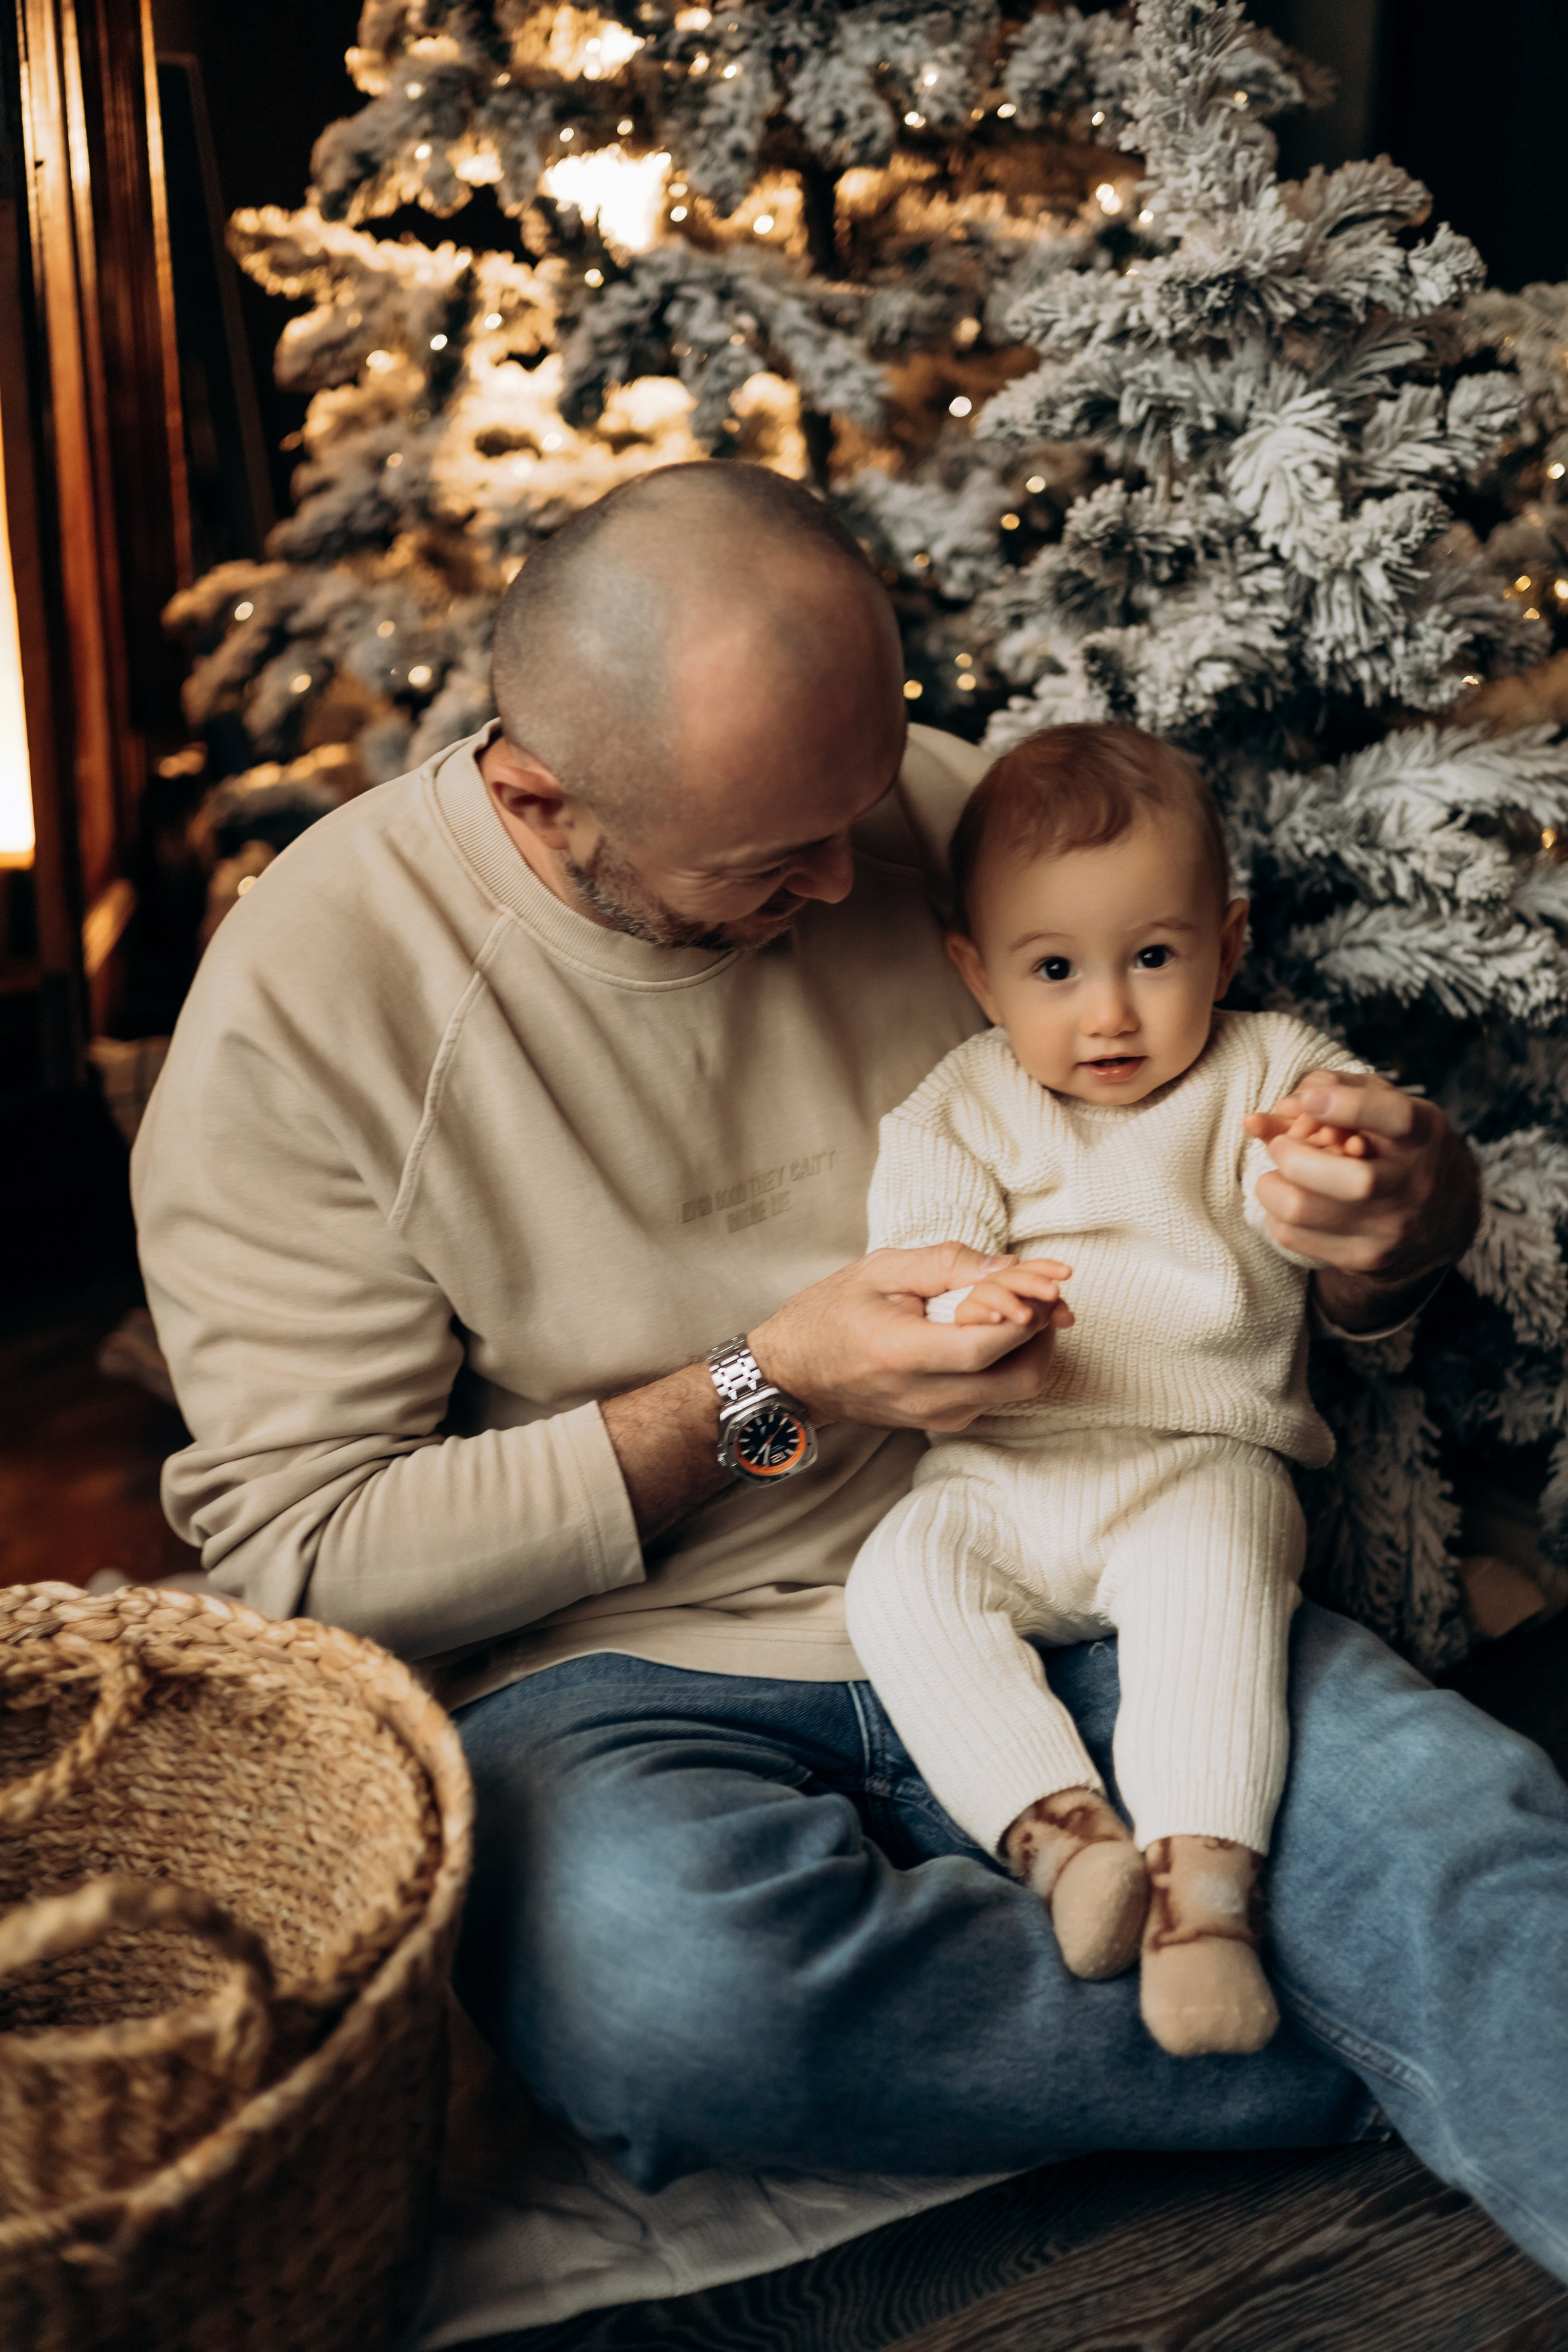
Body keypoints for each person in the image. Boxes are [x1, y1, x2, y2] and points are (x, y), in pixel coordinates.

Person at [133, 464, 1568, 2287]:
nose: (846, 883)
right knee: (658, 1993)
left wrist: (1397, 1233)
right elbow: (306, 1558)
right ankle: (1372, 2023)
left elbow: (1227, 1190)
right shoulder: (313, 1010)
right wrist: (778, 1387)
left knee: (1460, 1836)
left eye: (862, 800)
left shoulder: (927, 818)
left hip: (1077, 1535)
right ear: (541, 799)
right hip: (634, 1676)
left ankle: (1338, 1973)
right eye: (768, 864)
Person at [843, 722, 1370, 2059]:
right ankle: (1068, 1843)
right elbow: (921, 1267)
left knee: (1213, 1607)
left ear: (1226, 947)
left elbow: (1328, 1149)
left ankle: (1204, 1906)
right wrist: (974, 1305)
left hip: (1196, 1459)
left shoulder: (1260, 1072)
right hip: (1002, 1476)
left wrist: (1332, 1156)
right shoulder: (956, 1109)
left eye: (1152, 957)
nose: (1110, 1015)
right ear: (976, 973)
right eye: (1053, 970)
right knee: (898, 1583)